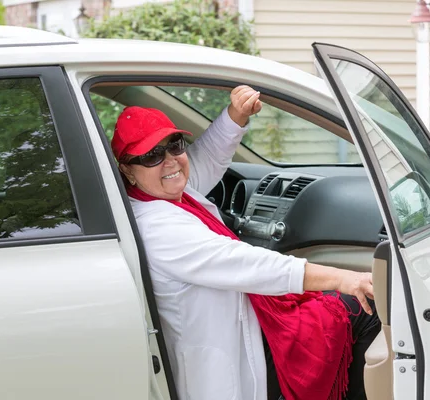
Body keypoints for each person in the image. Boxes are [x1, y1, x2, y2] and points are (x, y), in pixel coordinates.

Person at [112, 85, 380, 400]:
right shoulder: (158, 227)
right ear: (127, 169)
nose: (170, 161)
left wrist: (235, 115)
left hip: (249, 321)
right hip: (228, 356)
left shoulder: (164, 192)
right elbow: (246, 262)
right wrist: (344, 277)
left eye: (174, 145)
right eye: (152, 154)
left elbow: (205, 159)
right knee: (364, 310)